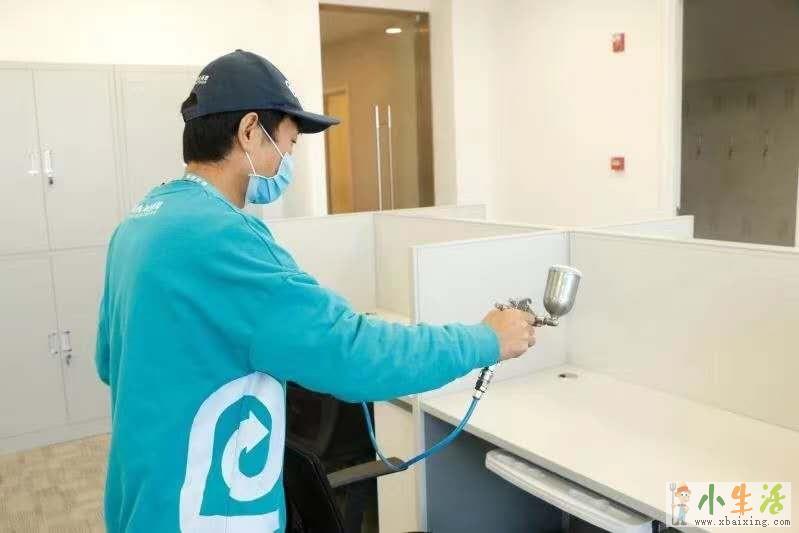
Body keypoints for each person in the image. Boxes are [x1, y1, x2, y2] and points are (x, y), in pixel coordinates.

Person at [95, 49, 536, 533]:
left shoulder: (141, 223)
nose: (288, 160)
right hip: (205, 514)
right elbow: (357, 355)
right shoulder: (223, 238)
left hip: (141, 501)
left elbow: (108, 361)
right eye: (288, 143)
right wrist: (486, 339)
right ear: (249, 131)